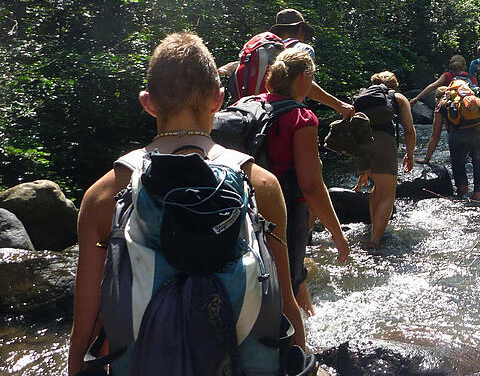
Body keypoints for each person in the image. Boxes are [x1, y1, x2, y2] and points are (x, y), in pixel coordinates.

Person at [69, 33, 307, 375]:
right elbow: (286, 303)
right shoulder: (261, 185)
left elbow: (87, 326)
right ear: (218, 99)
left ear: (147, 103)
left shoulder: (103, 194)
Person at [258, 48, 350, 315]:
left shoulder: (249, 105)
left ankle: (308, 320)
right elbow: (311, 185)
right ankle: (301, 349)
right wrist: (337, 234)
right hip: (286, 212)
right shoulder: (301, 117)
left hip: (248, 210)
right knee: (291, 281)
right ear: (302, 79)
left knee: (281, 277)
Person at [219, 8, 354, 118]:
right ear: (301, 29)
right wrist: (339, 106)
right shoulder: (303, 48)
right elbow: (304, 83)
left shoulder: (261, 51)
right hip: (284, 115)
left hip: (251, 113)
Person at [351, 71, 416, 246]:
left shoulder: (362, 97)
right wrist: (410, 156)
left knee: (377, 188)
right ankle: (374, 242)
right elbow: (409, 130)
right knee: (388, 195)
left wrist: (361, 166)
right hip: (383, 144)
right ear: (394, 85)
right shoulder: (399, 98)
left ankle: (375, 228)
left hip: (360, 145)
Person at [417, 84, 480, 200]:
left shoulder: (443, 103)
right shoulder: (475, 96)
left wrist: (427, 159)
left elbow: (435, 135)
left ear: (437, 98)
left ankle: (464, 198)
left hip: (458, 138)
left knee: (458, 167)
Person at [408, 54, 474, 106]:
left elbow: (433, 86)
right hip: (468, 107)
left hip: (451, 107)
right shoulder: (471, 78)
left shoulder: (447, 75)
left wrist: (416, 98)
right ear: (464, 64)